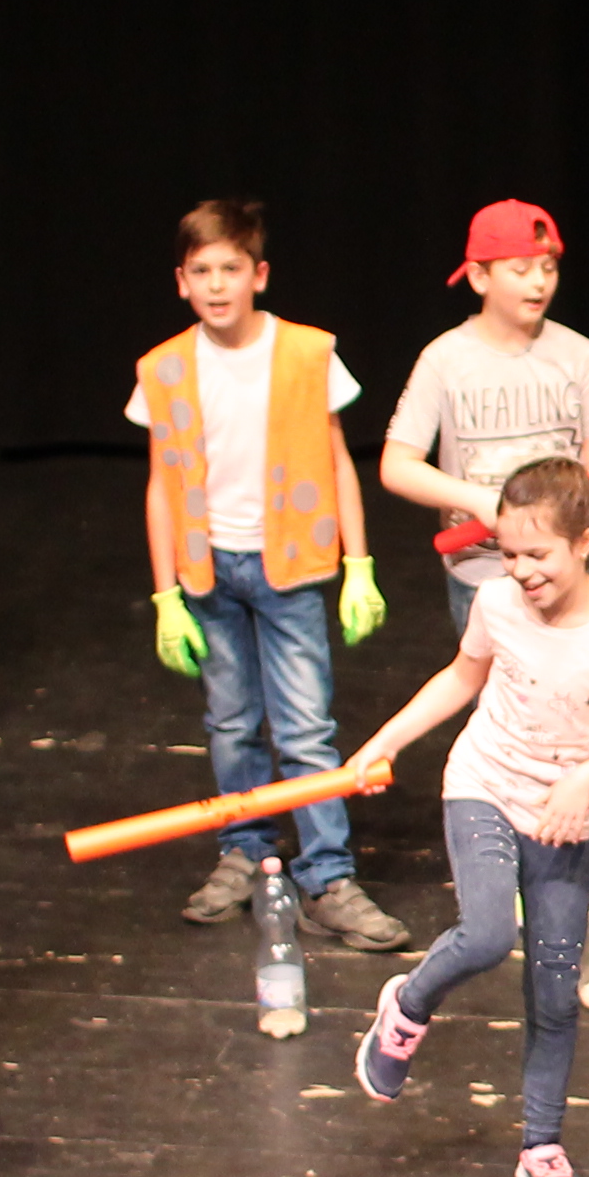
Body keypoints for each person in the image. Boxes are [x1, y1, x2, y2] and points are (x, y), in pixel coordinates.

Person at [345, 458, 589, 1177]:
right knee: (489, 934)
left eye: (538, 554)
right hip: (484, 785)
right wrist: (386, 740)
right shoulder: (495, 601)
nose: (521, 571)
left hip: (563, 817)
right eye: (508, 552)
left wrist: (585, 780)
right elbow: (462, 678)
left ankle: (542, 1145)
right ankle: (407, 1007)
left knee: (555, 991)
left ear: (584, 542)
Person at [379, 199, 589, 955]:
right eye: (520, 268)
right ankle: (520, 866)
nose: (538, 282)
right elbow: (398, 464)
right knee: (513, 722)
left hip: (574, 571)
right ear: (478, 276)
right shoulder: (446, 360)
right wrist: (479, 503)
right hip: (485, 574)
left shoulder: (577, 354)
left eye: (548, 267)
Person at [128, 199, 406, 950]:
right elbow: (161, 484)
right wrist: (165, 595)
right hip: (207, 571)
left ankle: (328, 875)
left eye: (231, 269)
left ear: (259, 274)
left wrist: (358, 564)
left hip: (290, 566)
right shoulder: (164, 367)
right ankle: (246, 849)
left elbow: (338, 460)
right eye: (202, 271)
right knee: (230, 724)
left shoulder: (306, 353)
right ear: (181, 282)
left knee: (306, 727)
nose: (217, 285)